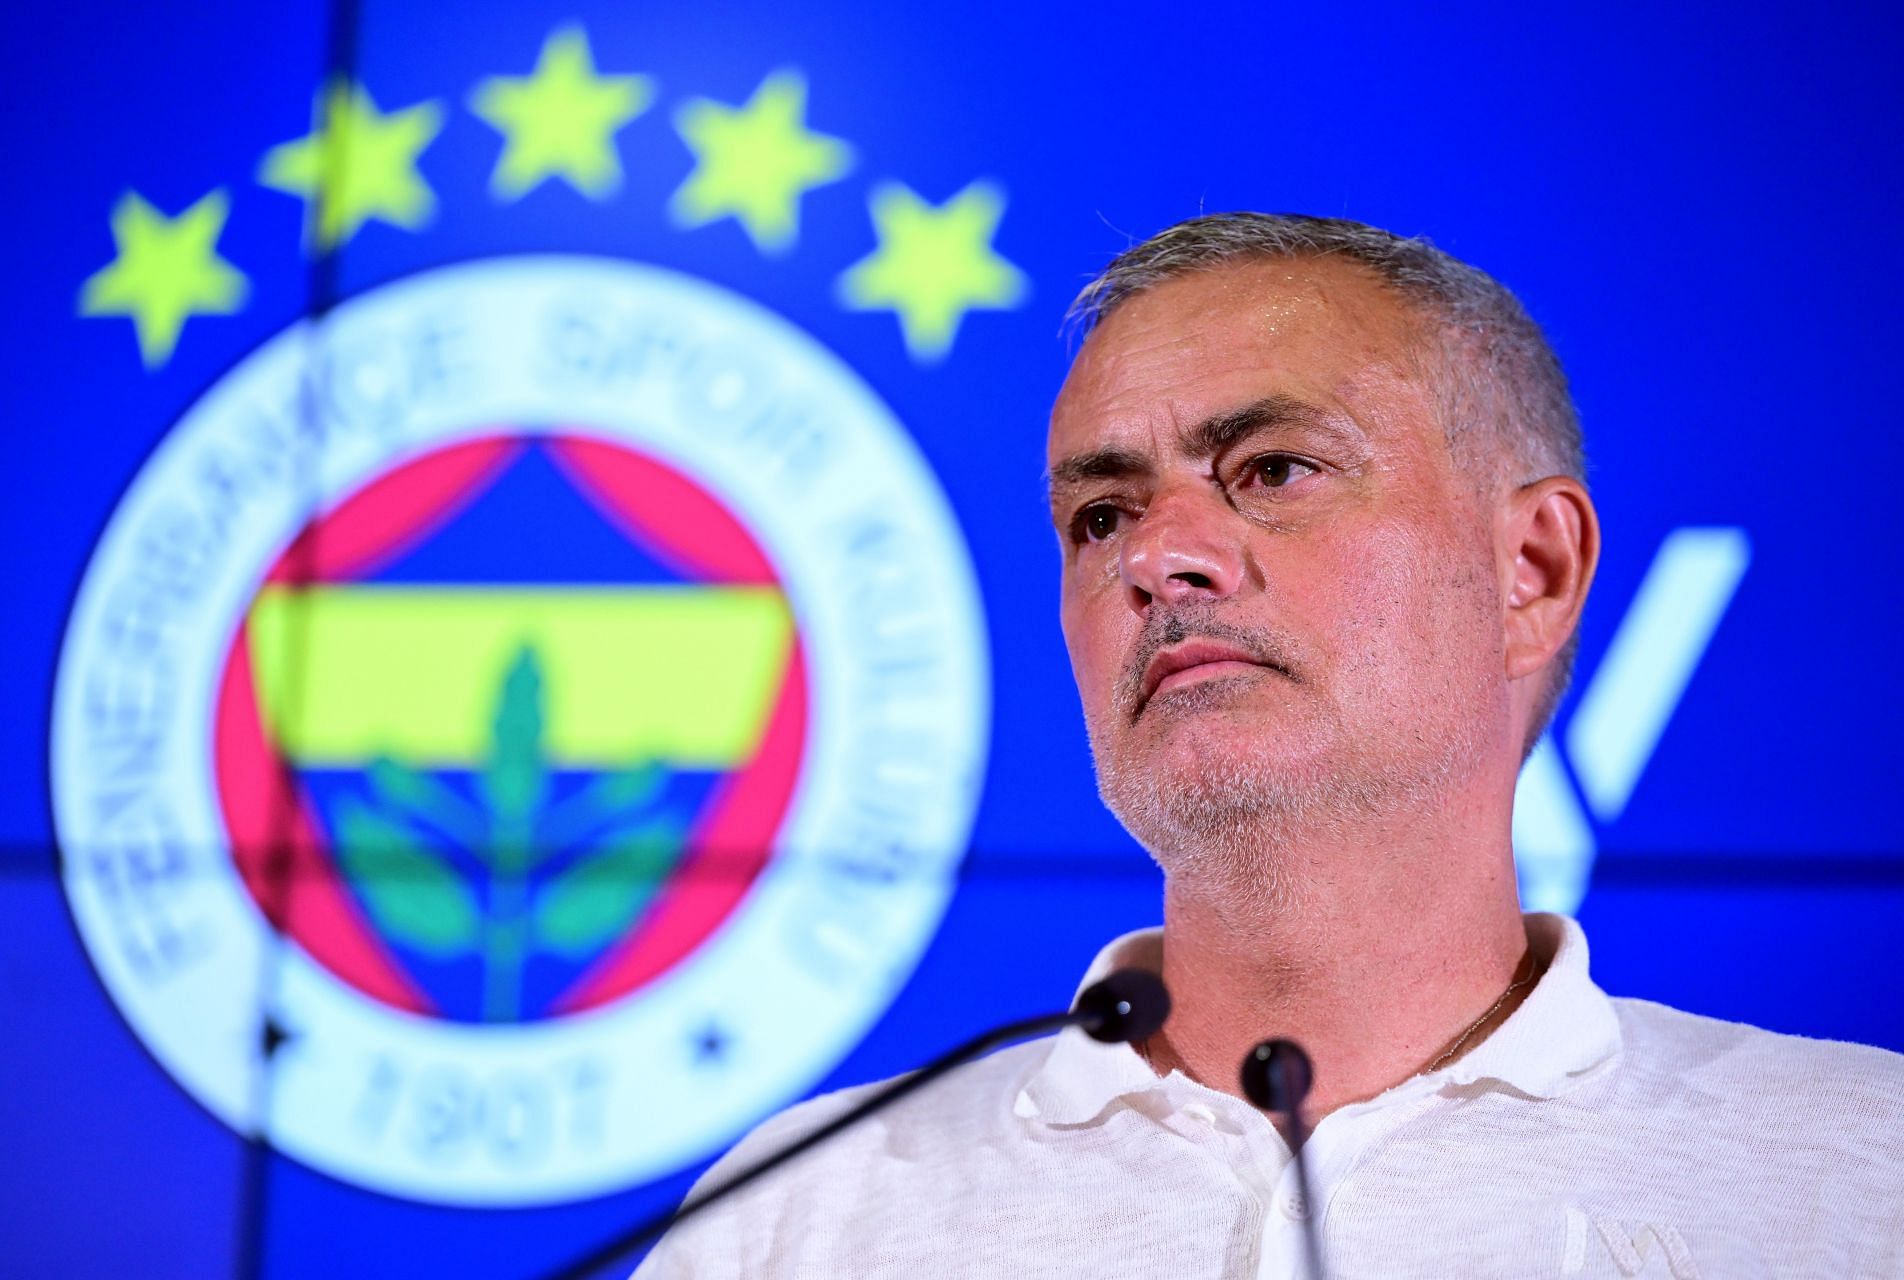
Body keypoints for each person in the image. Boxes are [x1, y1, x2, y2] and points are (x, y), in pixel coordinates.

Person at [637, 214, 1903, 1277]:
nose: (1153, 555)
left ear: (1531, 570)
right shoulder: (799, 1217)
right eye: (1100, 514)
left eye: (1273, 467)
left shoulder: (1859, 1179)